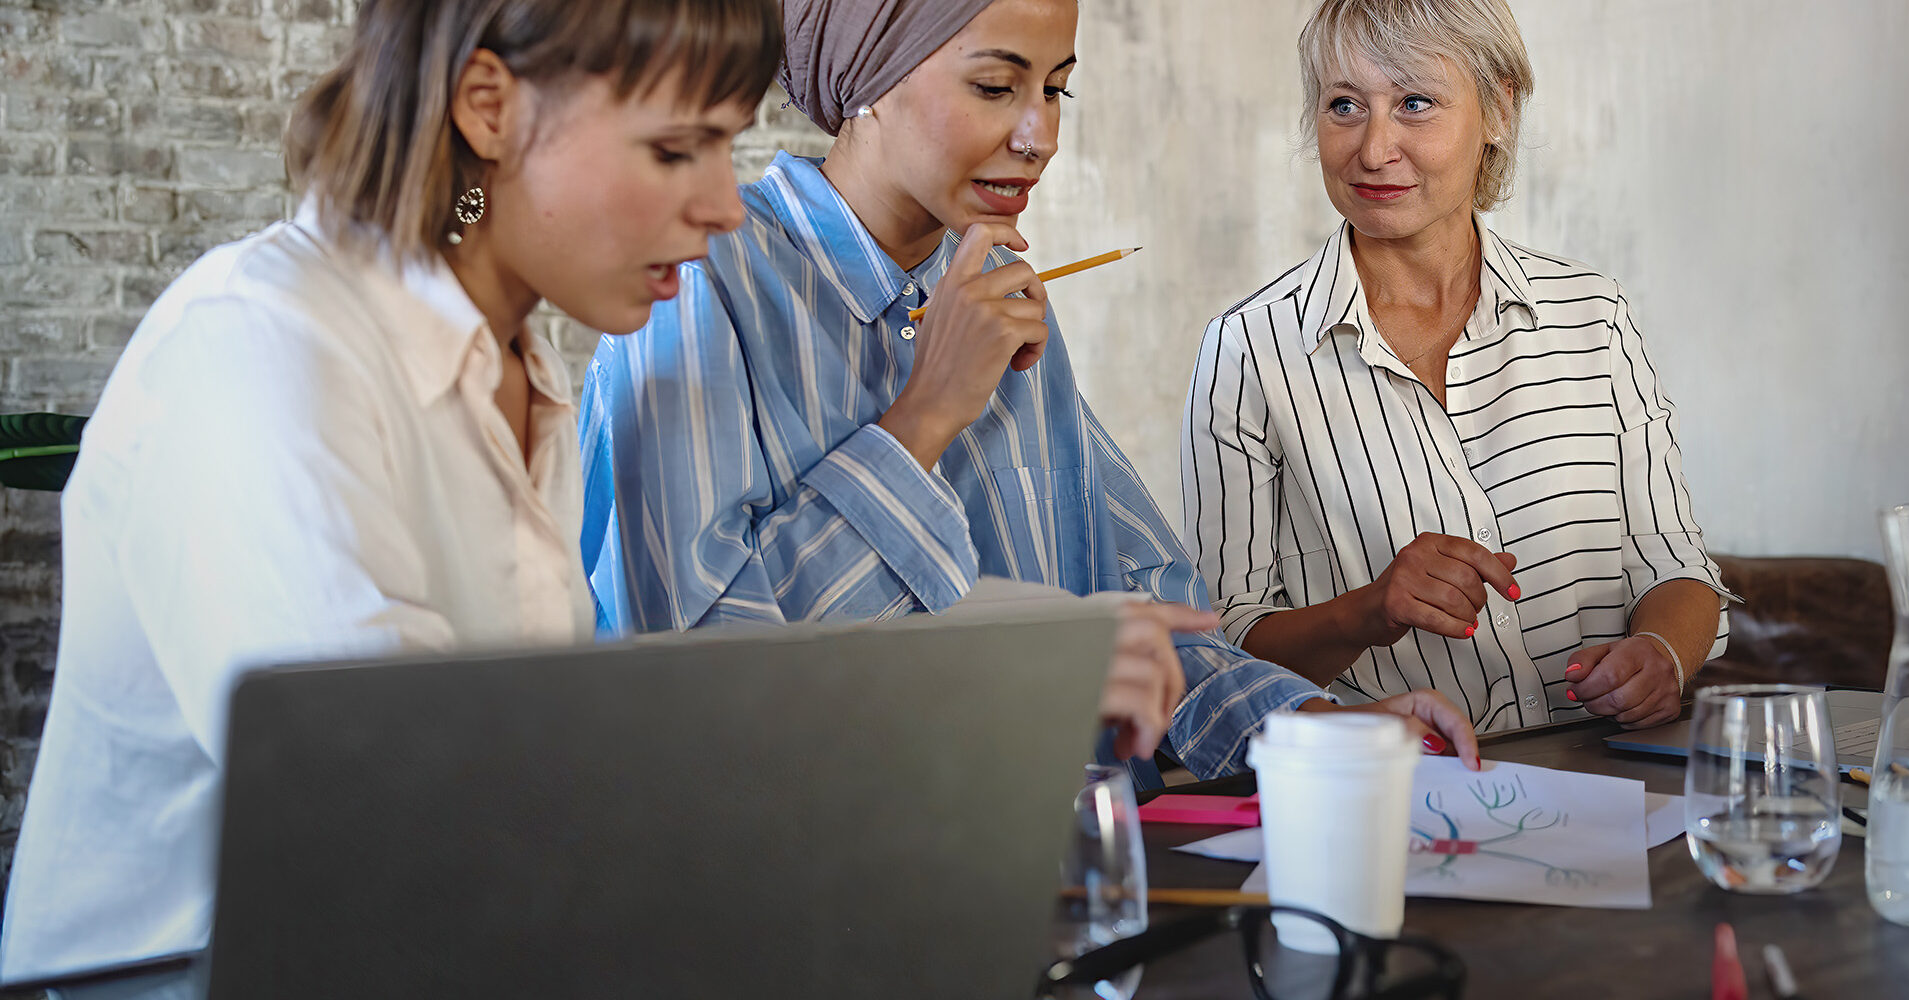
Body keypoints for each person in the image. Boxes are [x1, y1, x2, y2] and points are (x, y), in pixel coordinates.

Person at [0, 1, 781, 994]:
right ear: (487, 108)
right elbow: (388, 823)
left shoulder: (521, 371)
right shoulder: (261, 348)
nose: (726, 204)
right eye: (678, 150)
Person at [578, 0, 1483, 786]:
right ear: (868, 78)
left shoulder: (997, 289)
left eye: (1056, 88)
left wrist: (1320, 730)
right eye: (994, 86)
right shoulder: (700, 283)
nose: (1040, 135)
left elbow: (1146, 619)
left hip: (1074, 879)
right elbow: (700, 682)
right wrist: (927, 414)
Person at [1182, 0, 1732, 737]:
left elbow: (1677, 565)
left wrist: (1662, 655)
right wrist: (1369, 609)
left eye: (1415, 103)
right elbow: (1226, 647)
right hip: (1397, 795)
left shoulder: (1594, 316)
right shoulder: (1247, 350)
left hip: (1602, 774)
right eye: (1344, 105)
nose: (1374, 149)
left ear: (1498, 108)